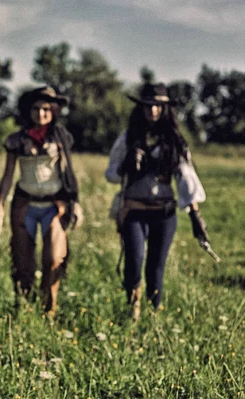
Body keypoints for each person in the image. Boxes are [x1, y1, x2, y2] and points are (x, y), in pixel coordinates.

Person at [105, 83, 207, 320]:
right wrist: (126, 166)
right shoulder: (128, 138)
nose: (153, 111)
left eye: (158, 106)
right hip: (134, 210)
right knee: (134, 260)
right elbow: (111, 174)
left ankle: (154, 314)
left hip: (164, 212)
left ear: (165, 109)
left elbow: (186, 178)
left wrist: (195, 215)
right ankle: (133, 309)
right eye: (149, 106)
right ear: (141, 108)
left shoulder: (174, 141)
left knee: (156, 267)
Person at [0, 86, 82, 315]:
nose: (41, 114)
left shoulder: (61, 137)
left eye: (45, 109)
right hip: (26, 204)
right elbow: (8, 176)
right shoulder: (17, 140)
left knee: (53, 258)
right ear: (28, 111)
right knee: (23, 261)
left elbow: (69, 171)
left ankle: (49, 307)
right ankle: (24, 305)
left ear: (53, 111)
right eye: (36, 109)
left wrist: (76, 202)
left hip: (54, 205)